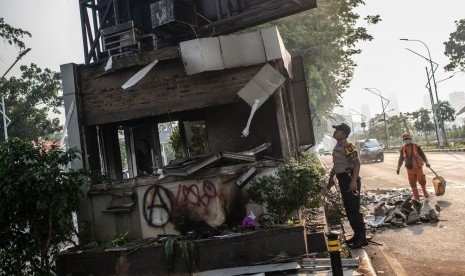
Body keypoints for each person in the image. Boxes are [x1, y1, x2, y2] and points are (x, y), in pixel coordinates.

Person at [328, 123, 367, 249]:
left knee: (354, 209)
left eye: (338, 130)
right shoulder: (338, 146)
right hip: (343, 179)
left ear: (344, 134)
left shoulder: (348, 146)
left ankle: (362, 237)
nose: (335, 132)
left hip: (349, 179)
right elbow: (336, 166)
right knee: (349, 209)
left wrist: (354, 181)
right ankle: (356, 235)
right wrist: (330, 179)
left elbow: (357, 163)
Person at [397, 132, 430, 200]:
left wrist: (426, 162)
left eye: (408, 139)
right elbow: (401, 159)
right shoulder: (403, 149)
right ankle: (416, 197)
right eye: (405, 139)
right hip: (409, 169)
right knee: (412, 183)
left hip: (418, 167)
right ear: (404, 140)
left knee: (422, 180)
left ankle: (425, 192)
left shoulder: (416, 146)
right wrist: (398, 167)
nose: (407, 140)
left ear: (410, 139)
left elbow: (422, 155)